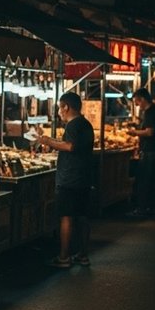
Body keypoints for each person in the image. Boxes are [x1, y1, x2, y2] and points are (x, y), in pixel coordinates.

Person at [37, 92, 94, 267]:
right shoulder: (86, 124)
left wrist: (48, 141)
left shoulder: (73, 125)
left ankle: (63, 257)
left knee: (66, 217)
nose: (59, 112)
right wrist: (53, 142)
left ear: (66, 107)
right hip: (84, 177)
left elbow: (70, 146)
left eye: (60, 108)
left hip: (69, 178)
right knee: (83, 216)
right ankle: (83, 255)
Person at [126, 88, 155, 218]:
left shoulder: (151, 112)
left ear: (142, 99)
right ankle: (150, 208)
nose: (137, 105)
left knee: (145, 180)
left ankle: (143, 209)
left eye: (137, 102)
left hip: (151, 151)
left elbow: (150, 132)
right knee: (152, 181)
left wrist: (134, 133)